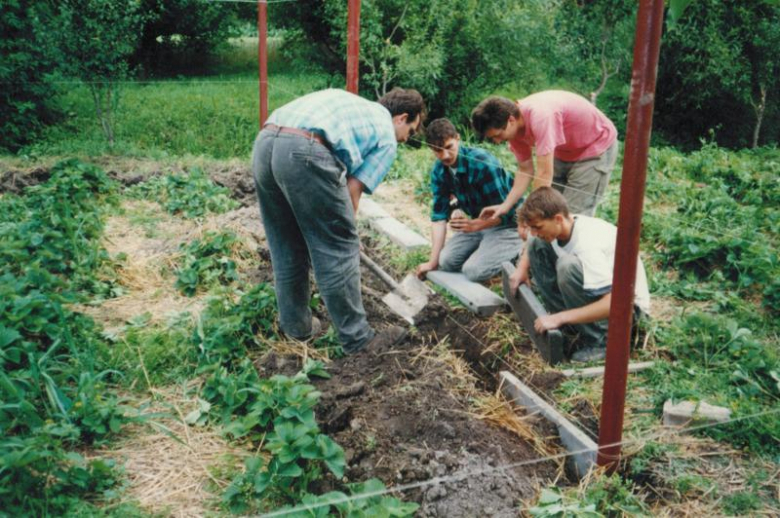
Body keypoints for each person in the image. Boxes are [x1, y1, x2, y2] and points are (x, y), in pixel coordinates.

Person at [252, 88, 425, 354]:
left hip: (265, 143)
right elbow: (352, 191)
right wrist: (347, 234)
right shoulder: (386, 137)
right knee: (338, 249)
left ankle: (296, 328)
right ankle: (359, 339)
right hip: (305, 150)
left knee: (286, 244)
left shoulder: (356, 107)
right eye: (410, 132)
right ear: (401, 118)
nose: (404, 139)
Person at [508, 187, 650, 362]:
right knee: (536, 244)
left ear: (558, 219)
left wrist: (560, 317)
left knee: (567, 267)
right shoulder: (563, 225)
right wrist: (522, 269)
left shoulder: (587, 245)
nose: (534, 232)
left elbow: (615, 303)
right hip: (606, 299)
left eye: (537, 227)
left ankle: (603, 341)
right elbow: (533, 239)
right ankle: (570, 329)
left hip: (628, 311)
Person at [471, 91, 618, 222]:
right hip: (564, 149)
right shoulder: (513, 130)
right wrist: (505, 206)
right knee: (549, 213)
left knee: (572, 217)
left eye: (498, 135)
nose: (498, 141)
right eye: (493, 138)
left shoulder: (541, 116)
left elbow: (544, 173)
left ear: (511, 120)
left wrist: (529, 214)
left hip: (595, 146)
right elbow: (525, 170)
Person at [416, 118, 523, 282]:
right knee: (446, 261)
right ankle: (486, 248)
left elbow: (506, 212)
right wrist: (432, 262)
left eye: (449, 147)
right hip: (477, 224)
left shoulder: (483, 163)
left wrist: (477, 224)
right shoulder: (439, 171)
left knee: (473, 271)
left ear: (458, 138)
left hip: (508, 225)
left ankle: (519, 247)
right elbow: (439, 218)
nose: (445, 156)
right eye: (438, 151)